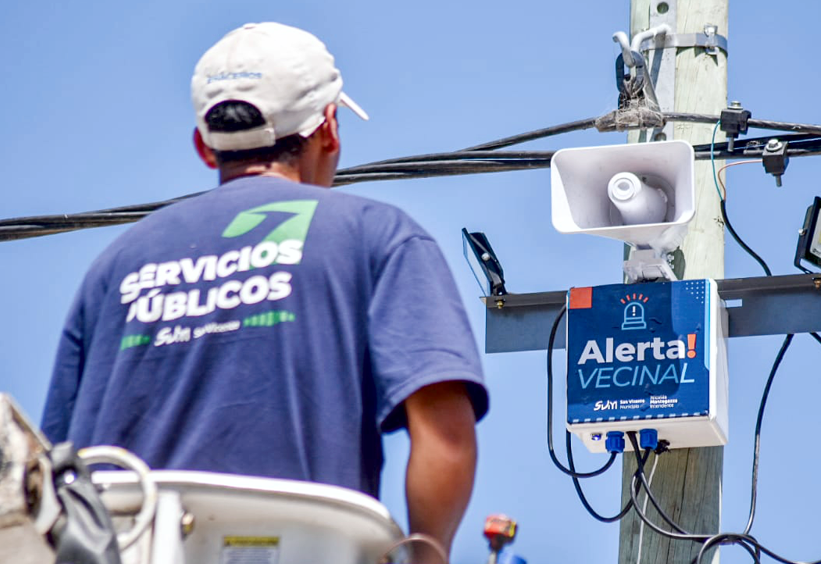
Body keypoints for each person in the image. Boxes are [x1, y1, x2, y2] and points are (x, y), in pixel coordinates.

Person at [41, 22, 488, 562]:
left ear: (206, 148)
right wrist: (428, 553)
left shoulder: (116, 265)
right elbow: (445, 430)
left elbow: (51, 469)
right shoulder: (377, 235)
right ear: (329, 128)